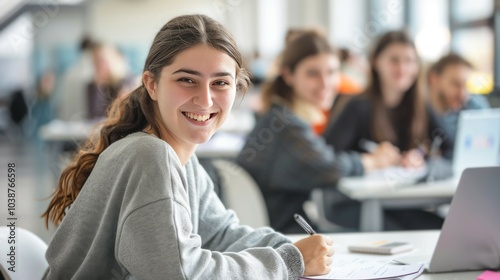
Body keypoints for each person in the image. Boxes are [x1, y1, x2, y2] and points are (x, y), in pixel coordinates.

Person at [41, 15, 333, 279]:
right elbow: (181, 273)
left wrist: (289, 247)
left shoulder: (180, 155)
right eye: (187, 80)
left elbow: (219, 233)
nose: (205, 100)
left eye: (220, 82)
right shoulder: (150, 155)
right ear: (151, 84)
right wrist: (288, 261)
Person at [237, 31, 368, 234]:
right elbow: (330, 169)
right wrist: (371, 162)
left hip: (277, 231)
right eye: (313, 73)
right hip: (281, 237)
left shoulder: (279, 114)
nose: (325, 83)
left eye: (332, 72)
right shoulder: (287, 125)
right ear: (289, 75)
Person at [324, 31, 454, 173]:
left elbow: (452, 149)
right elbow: (328, 158)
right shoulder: (357, 107)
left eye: (409, 61)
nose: (402, 69)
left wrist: (422, 159)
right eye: (394, 60)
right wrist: (370, 160)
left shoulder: (422, 106)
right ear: (375, 62)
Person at [428, 53, 490, 138]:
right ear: (434, 80)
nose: (463, 94)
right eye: (455, 84)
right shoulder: (420, 112)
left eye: (467, 86)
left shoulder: (475, 108)